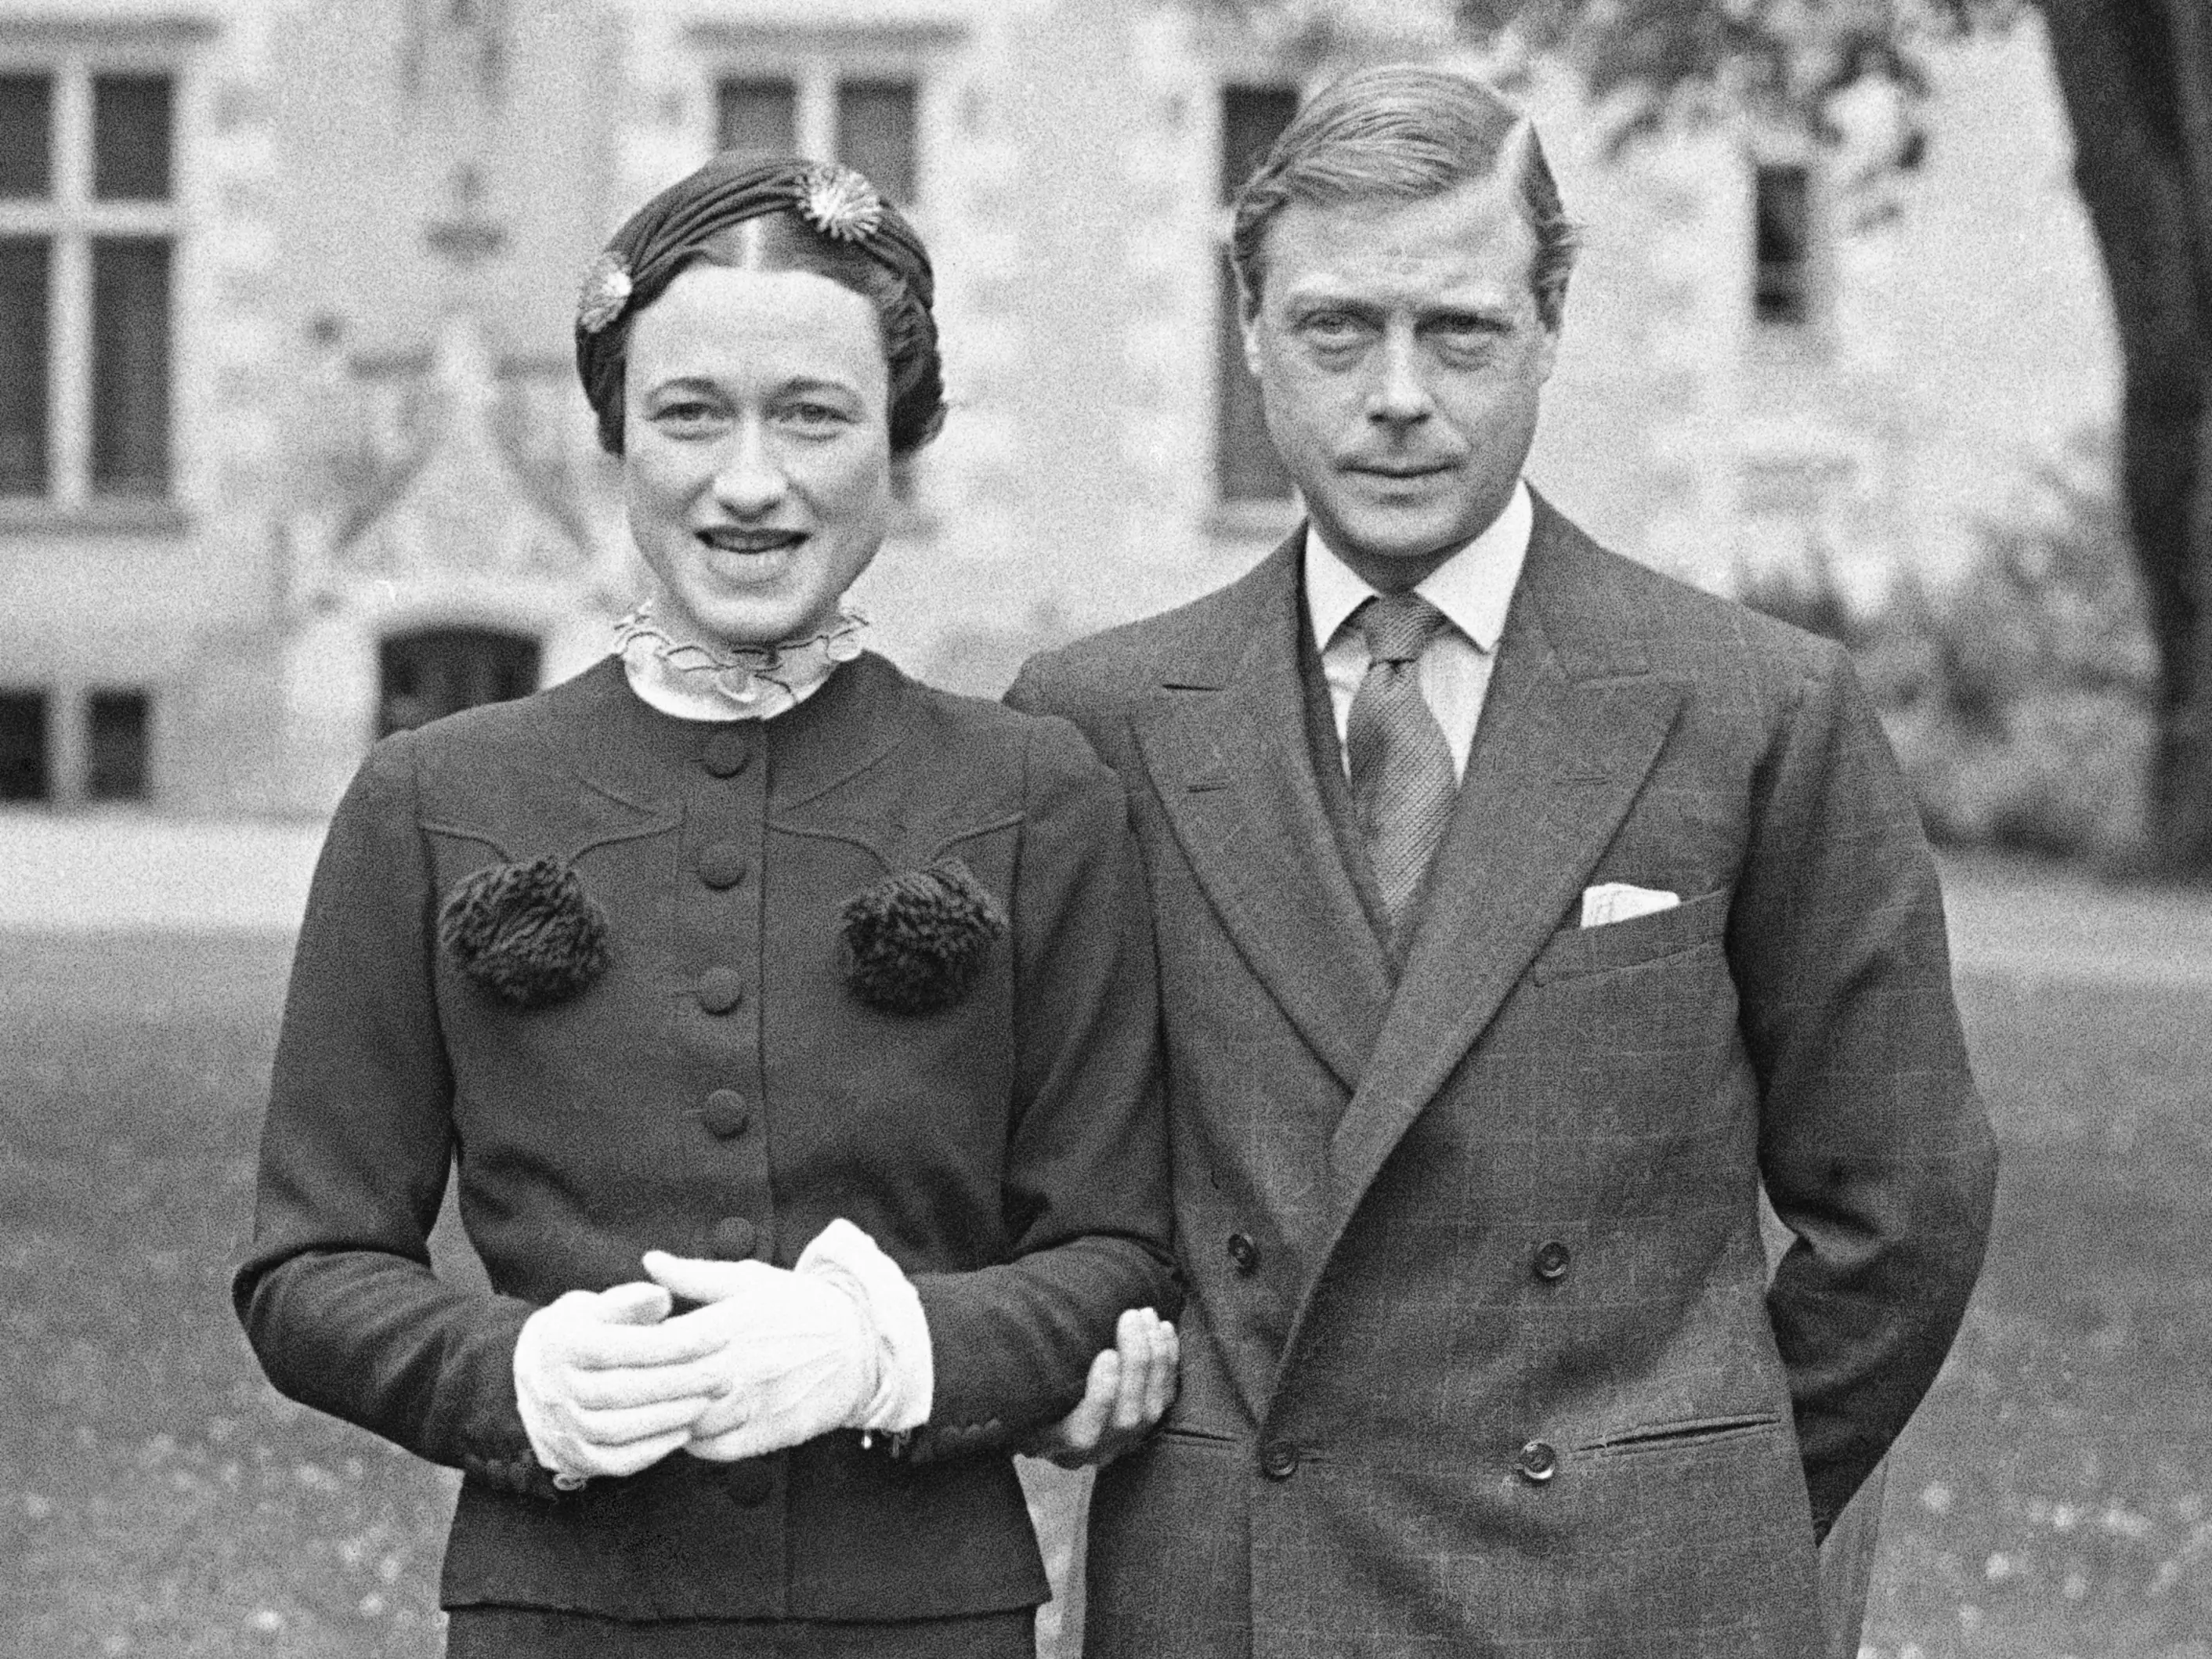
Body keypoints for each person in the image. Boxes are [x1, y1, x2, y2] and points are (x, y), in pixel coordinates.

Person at [1010, 66, 1997, 1658]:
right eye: (1336, 328)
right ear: (1249, 332)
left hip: (1623, 1594)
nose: (1396, 392)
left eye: (1457, 331)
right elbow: (1038, 1196)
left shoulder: (1752, 708)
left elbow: (1902, 1208)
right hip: (1235, 1583)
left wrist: (1686, 1494)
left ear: (1546, 329)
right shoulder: (1095, 725)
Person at [233, 153, 1176, 1657]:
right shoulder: (429, 798)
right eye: (691, 415)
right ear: (613, 442)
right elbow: (308, 1266)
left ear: (900, 443)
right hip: (559, 1615)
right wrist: (512, 1373)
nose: (750, 482)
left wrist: (892, 1350)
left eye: (813, 414)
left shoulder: (1035, 793)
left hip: (924, 1618)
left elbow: (1120, 1243)